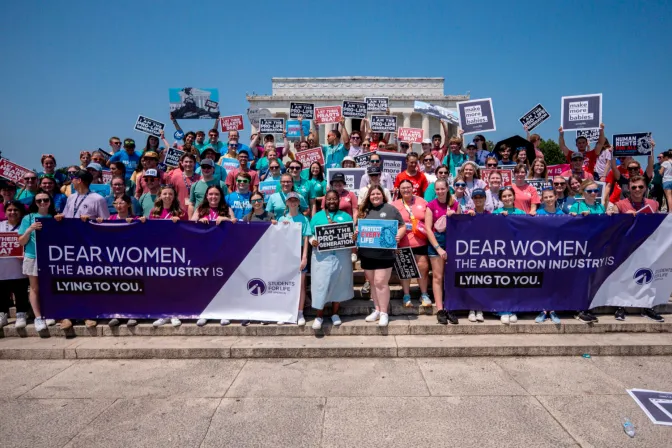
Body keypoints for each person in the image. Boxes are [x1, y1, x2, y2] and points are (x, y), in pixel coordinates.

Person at [612, 175, 664, 323]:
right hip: (626, 248)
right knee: (623, 278)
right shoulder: (620, 204)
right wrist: (621, 216)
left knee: (648, 278)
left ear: (645, 188)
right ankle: (620, 307)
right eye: (634, 187)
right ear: (628, 188)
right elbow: (611, 222)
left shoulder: (654, 204)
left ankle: (647, 308)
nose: (637, 190)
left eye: (640, 187)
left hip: (648, 248)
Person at [356, 186, 405, 327]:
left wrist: (399, 235)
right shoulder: (364, 211)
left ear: (383, 195)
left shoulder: (391, 209)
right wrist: (357, 231)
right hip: (367, 252)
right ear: (368, 196)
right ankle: (377, 310)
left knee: (380, 282)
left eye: (378, 193)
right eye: (372, 194)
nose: (375, 196)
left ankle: (384, 313)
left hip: (385, 253)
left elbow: (402, 226)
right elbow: (357, 227)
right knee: (372, 283)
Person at [309, 190, 354, 330]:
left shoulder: (346, 216)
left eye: (334, 199)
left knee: (339, 284)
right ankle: (319, 316)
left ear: (339, 200)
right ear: (325, 201)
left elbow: (351, 234)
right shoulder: (317, 216)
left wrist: (352, 238)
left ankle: (335, 313)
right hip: (322, 257)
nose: (331, 201)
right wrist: (313, 241)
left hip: (341, 256)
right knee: (321, 285)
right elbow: (310, 234)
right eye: (329, 199)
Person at [17, 192, 57, 332]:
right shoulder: (28, 218)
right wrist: (30, 229)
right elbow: (21, 241)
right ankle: (38, 317)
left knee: (49, 286)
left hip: (51, 257)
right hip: (33, 256)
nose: (42, 202)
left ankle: (49, 312)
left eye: (45, 200)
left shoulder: (54, 217)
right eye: (39, 200)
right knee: (34, 288)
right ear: (35, 202)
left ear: (50, 201)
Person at [424, 179, 460, 325]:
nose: (440, 192)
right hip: (436, 244)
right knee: (438, 277)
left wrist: (455, 216)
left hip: (452, 243)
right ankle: (440, 309)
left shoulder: (455, 204)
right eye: (437, 189)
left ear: (447, 189)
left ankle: (450, 307)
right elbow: (428, 228)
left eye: (442, 189)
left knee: (450, 277)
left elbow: (460, 226)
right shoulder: (431, 205)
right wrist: (438, 248)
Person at [393, 180, 431, 307]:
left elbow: (429, 220)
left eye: (408, 187)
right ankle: (406, 295)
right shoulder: (394, 205)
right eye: (403, 188)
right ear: (399, 190)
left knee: (423, 268)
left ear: (413, 188)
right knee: (405, 270)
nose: (406, 190)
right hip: (403, 242)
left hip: (420, 242)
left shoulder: (422, 202)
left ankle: (424, 294)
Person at [278, 192, 312, 326]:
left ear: (299, 203)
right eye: (290, 200)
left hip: (299, 252)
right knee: (286, 285)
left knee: (301, 285)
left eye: (295, 201)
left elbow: (306, 238)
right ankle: (286, 312)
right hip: (285, 255)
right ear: (286, 203)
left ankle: (300, 312)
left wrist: (304, 258)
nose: (292, 203)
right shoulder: (281, 219)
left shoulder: (304, 219)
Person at [0, 201, 31, 329]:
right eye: (10, 210)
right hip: (2, 267)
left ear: (21, 212)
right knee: (1, 292)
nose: (12, 212)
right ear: (5, 212)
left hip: (19, 266)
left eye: (16, 210)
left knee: (21, 291)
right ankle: (2, 314)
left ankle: (21, 314)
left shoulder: (23, 226)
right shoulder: (0, 225)